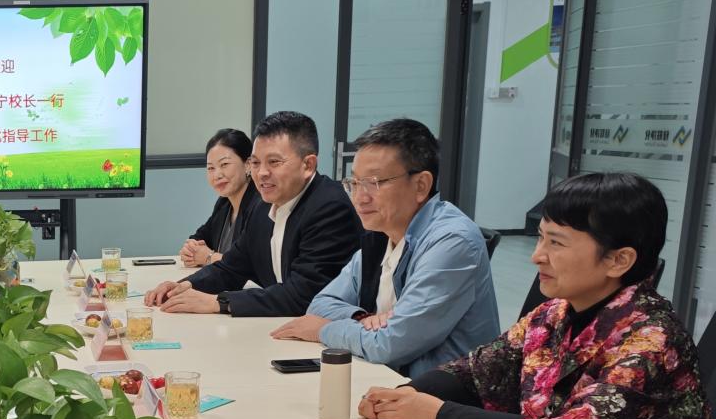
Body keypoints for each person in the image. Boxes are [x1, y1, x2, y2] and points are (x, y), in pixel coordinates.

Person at [360, 173, 716, 419]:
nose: (537, 256)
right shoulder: (555, 313)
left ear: (618, 260)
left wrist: (437, 415)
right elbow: (475, 371)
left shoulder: (651, 341)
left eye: (556, 243)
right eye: (541, 237)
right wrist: (405, 395)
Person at [271, 119, 500, 376]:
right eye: (355, 182)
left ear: (421, 185)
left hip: (440, 392)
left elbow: (390, 344)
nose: (360, 197)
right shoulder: (382, 234)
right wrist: (361, 319)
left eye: (374, 182)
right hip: (385, 378)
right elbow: (321, 303)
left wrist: (322, 330)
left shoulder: (452, 242)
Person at [145, 111, 361, 317]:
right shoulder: (263, 206)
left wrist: (218, 302)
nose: (262, 173)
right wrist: (183, 286)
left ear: (308, 165)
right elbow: (232, 267)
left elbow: (303, 294)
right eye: (256, 163)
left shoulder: (329, 207)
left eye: (274, 162)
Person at [180, 128, 263, 268]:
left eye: (224, 165)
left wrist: (209, 257)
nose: (217, 175)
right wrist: (190, 249)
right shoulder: (224, 203)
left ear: (248, 164)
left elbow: (250, 264)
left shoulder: (261, 205)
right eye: (210, 168)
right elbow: (200, 237)